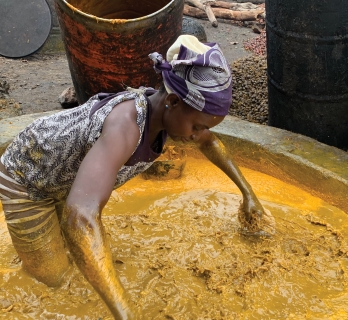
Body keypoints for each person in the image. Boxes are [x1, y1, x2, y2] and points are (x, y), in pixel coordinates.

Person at [0, 35, 275, 319]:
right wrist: (125, 313)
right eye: (197, 125)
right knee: (53, 279)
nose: (196, 134)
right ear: (173, 101)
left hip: (64, 177)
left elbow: (208, 143)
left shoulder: (168, 115)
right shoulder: (125, 128)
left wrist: (248, 195)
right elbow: (80, 215)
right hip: (28, 179)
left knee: (76, 254)